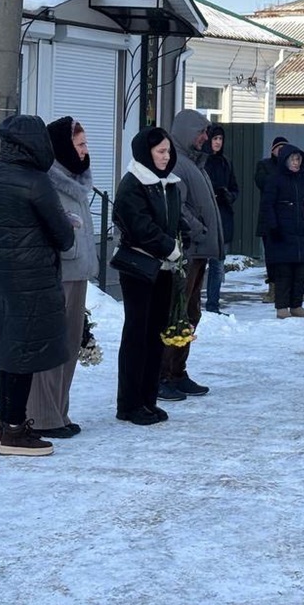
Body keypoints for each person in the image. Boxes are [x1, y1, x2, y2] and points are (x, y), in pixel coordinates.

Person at [0, 114, 75, 456]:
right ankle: (16, 431)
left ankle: (4, 425)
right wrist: (68, 223)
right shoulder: (36, 181)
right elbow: (63, 237)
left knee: (8, 353)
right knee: (24, 356)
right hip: (30, 281)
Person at [25, 117, 98, 440]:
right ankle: (41, 416)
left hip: (77, 272)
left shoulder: (77, 180)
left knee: (69, 345)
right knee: (52, 346)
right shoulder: (48, 181)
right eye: (79, 145)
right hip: (57, 273)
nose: (85, 151)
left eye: (84, 145)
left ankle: (59, 411)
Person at [112, 127, 183, 426]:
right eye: (160, 152)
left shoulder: (168, 184)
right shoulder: (133, 184)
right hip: (140, 268)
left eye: (168, 151)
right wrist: (170, 247)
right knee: (136, 336)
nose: (166, 157)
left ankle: (148, 399)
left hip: (164, 267)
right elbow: (139, 226)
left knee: (156, 335)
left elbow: (173, 220)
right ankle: (129, 404)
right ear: (146, 152)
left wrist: (181, 241)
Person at [160, 110, 223, 400]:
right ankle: (163, 374)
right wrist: (198, 230)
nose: (205, 138)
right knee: (176, 313)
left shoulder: (196, 164)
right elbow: (179, 207)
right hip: (186, 253)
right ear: (187, 131)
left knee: (190, 314)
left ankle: (177, 371)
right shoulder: (178, 165)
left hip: (198, 253)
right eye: (201, 132)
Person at [261, 143, 304, 318]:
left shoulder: (301, 180)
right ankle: (282, 306)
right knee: (284, 272)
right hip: (281, 232)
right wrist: (273, 227)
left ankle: (296, 305)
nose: (296, 163)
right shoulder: (274, 179)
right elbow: (267, 205)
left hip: (299, 233)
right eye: (293, 159)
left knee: (301, 270)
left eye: (299, 159)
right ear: (285, 160)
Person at [203, 125, 239, 314]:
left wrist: (229, 196)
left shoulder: (226, 162)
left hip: (223, 218)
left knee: (217, 266)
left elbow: (235, 188)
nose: (217, 142)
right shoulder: (201, 161)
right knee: (199, 265)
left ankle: (213, 305)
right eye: (214, 138)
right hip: (204, 219)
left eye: (220, 139)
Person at [255, 136, 290, 303]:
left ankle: (289, 289)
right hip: (269, 219)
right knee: (271, 256)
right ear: (272, 150)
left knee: (289, 256)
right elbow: (262, 182)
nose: (281, 151)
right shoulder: (264, 165)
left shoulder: (293, 166)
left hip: (288, 219)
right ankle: (273, 289)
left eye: (285, 148)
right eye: (278, 148)